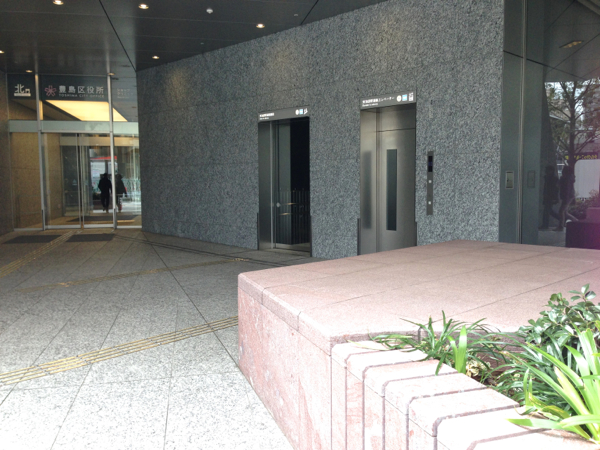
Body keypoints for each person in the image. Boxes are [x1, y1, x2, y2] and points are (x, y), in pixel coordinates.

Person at [555, 164, 578, 231]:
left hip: (567, 196)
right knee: (564, 211)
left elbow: (566, 188)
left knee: (561, 211)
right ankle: (576, 221)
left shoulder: (566, 178)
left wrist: (566, 198)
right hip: (569, 196)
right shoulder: (569, 178)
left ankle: (561, 226)